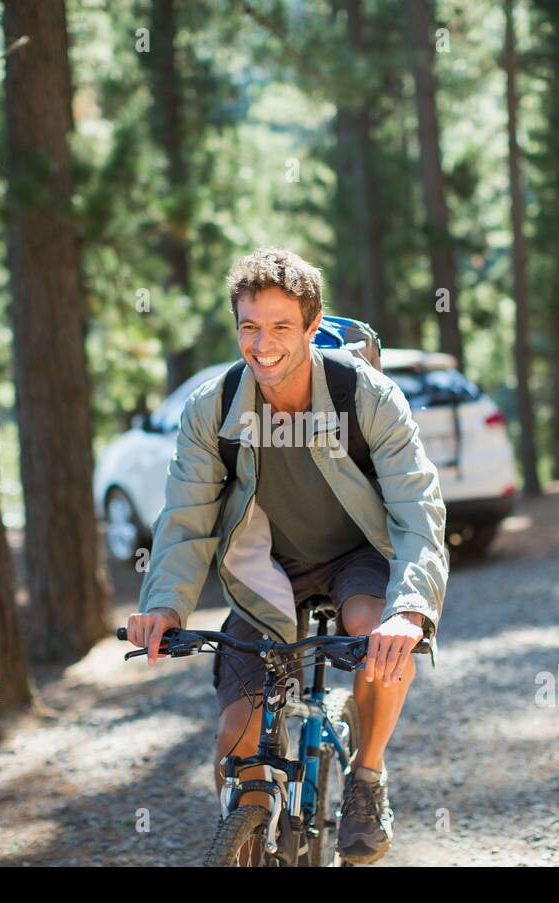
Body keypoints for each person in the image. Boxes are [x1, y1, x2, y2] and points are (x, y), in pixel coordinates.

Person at [124, 247, 448, 863]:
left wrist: (410, 610)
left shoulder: (367, 397)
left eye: (280, 326)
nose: (263, 343)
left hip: (357, 552)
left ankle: (367, 780)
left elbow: (417, 507)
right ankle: (247, 824)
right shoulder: (212, 407)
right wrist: (164, 607)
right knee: (234, 739)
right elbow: (185, 520)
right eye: (250, 326)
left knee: (377, 639)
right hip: (263, 565)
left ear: (310, 323)